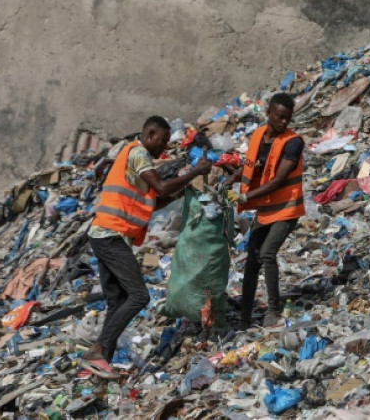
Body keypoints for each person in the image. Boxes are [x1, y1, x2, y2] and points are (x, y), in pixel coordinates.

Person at [80, 116, 212, 379]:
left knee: (117, 300)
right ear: (150, 134)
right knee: (139, 296)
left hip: (103, 232)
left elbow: (155, 200)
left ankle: (98, 363)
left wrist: (182, 190)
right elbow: (161, 186)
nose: (163, 148)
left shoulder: (135, 160)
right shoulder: (138, 153)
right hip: (110, 235)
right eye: (162, 141)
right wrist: (194, 172)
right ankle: (97, 351)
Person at [231, 93, 305, 328]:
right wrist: (229, 180)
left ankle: (273, 310)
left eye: (288, 118)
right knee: (252, 259)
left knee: (267, 254)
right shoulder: (258, 136)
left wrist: (246, 196)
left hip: (286, 208)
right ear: (269, 114)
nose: (284, 122)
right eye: (280, 117)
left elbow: (279, 180)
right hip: (265, 208)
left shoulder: (293, 142)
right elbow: (253, 166)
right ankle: (245, 315)